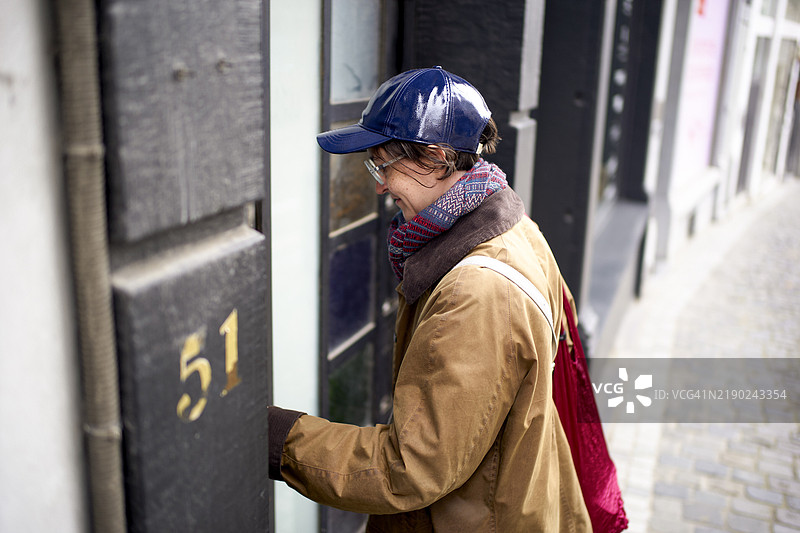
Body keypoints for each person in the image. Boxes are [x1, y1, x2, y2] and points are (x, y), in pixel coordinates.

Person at [268, 66, 591, 532]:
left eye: (384, 165)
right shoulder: (517, 228)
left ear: (438, 159)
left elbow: (408, 470)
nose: (379, 184)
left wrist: (278, 437)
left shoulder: (475, 293)